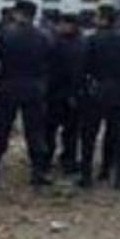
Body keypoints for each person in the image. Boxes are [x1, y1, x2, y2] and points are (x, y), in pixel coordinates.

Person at [0, 0, 54, 186]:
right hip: (34, 88)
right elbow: (50, 60)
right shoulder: (44, 36)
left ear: (18, 13)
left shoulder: (6, 34)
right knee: (36, 131)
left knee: (0, 129)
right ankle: (38, 171)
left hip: (8, 86)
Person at [78, 5, 120, 189]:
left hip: (96, 90)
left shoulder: (90, 41)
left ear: (103, 20)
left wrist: (82, 89)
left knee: (89, 135)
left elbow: (81, 67)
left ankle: (86, 176)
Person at [46, 13, 86, 175]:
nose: (60, 27)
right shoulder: (81, 43)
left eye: (64, 24)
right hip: (59, 93)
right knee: (56, 130)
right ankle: (62, 159)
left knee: (67, 130)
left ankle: (64, 159)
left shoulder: (55, 43)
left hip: (63, 93)